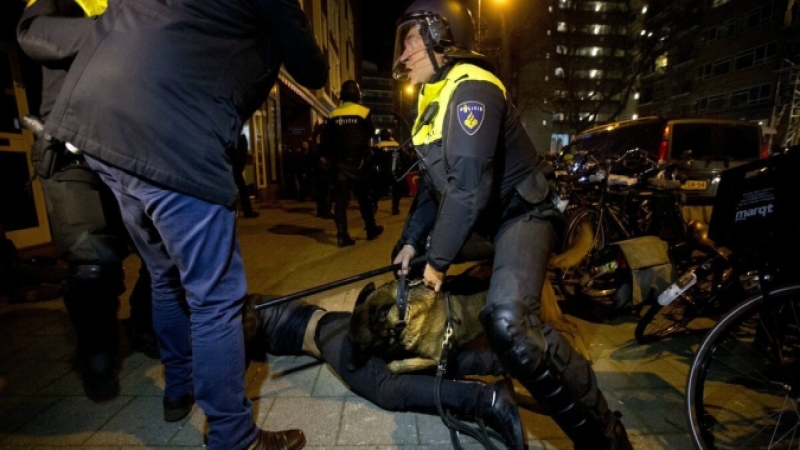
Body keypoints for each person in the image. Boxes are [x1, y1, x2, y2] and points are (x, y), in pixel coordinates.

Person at [39, 0, 328, 448]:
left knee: (162, 274)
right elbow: (312, 70)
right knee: (215, 298)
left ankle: (178, 390)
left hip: (95, 122)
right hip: (173, 130)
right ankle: (234, 437)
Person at [389, 2, 632, 449]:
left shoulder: (473, 90)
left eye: (410, 42)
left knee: (509, 322)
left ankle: (606, 436)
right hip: (487, 221)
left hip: (524, 215)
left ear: (443, 38)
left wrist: (439, 264)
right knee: (410, 264)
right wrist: (409, 244)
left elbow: (466, 190)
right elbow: (430, 190)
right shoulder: (432, 97)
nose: (403, 55)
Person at [16, 0, 159, 401]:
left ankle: (145, 325)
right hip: (71, 150)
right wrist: (117, 32)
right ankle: (98, 354)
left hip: (129, 149)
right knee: (92, 261)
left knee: (161, 252)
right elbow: (33, 35)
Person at [242, 294, 524, 450]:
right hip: (333, 328)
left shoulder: (237, 311)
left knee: (385, 388)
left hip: (328, 334)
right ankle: (497, 363)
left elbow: (236, 342)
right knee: (412, 358)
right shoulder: (232, 310)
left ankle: (486, 400)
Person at [319, 80, 384, 247]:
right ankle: (370, 228)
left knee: (341, 200)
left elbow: (326, 139)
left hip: (339, 163)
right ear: (357, 94)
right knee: (364, 197)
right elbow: (370, 132)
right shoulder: (363, 112)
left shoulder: (334, 114)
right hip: (360, 163)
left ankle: (342, 234)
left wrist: (326, 157)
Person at [375, 129, 404, 215]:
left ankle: (374, 207)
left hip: (383, 172)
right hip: (395, 172)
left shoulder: (379, 145)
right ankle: (395, 208)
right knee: (396, 191)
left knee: (378, 190)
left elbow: (376, 159)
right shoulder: (396, 144)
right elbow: (401, 158)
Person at [233, 134, 259, 218]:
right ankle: (247, 211)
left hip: (233, 167)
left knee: (242, 189)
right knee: (243, 189)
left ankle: (247, 210)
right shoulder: (240, 139)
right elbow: (241, 156)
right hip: (235, 167)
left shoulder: (236, 139)